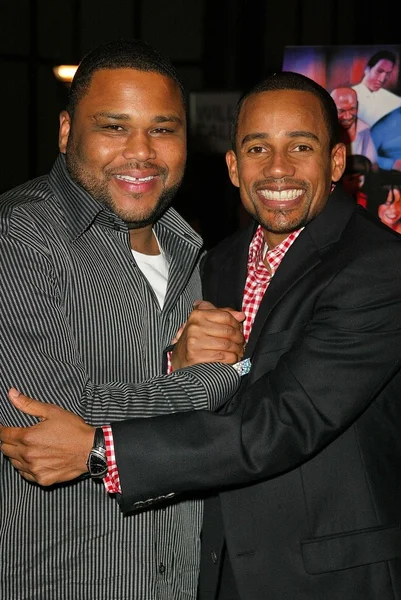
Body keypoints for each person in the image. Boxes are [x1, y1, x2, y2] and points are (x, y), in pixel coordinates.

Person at [3, 72, 401, 600]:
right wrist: (177, 362)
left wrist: (100, 451)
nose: (278, 168)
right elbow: (194, 389)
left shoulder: (378, 267)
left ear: (334, 162)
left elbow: (284, 420)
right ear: (234, 167)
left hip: (331, 580)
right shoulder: (215, 260)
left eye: (300, 146)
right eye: (259, 148)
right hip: (213, 573)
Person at [0, 39, 245, 600]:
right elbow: (45, 428)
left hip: (184, 580)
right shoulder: (23, 236)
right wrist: (194, 378)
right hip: (69, 581)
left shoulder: (195, 249)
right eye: (113, 127)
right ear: (66, 132)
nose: (143, 152)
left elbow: (89, 431)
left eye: (163, 129)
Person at [352, 50, 401, 171]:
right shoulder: (347, 98)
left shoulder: (396, 102)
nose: (383, 78)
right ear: (367, 69)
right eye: (379, 71)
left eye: (388, 73)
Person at [330, 86, 377, 166]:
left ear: (357, 106)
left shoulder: (365, 130)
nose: (348, 116)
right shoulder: (323, 130)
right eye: (341, 111)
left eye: (352, 109)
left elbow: (371, 163)